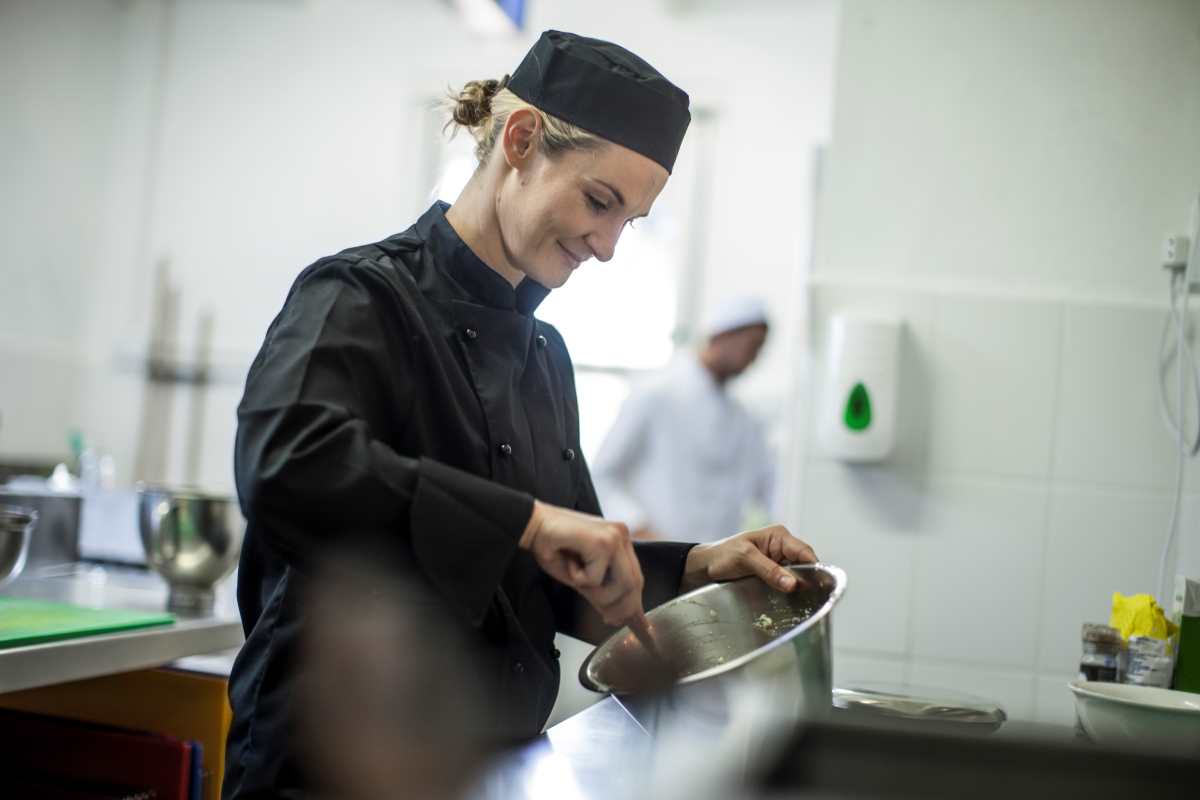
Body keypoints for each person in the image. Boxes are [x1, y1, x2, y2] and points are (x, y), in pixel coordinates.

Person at [223, 30, 817, 799]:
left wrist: (698, 568)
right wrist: (528, 523)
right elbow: (285, 468)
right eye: (600, 202)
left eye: (630, 221)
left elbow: (564, 576)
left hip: (491, 773)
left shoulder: (545, 357)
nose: (608, 246)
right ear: (522, 139)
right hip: (326, 772)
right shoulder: (359, 297)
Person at [592, 297, 775, 542]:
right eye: (752, 346)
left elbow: (767, 488)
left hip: (717, 560)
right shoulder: (655, 393)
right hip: (652, 556)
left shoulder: (744, 418)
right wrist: (638, 527)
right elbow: (602, 476)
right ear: (723, 335)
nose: (754, 358)